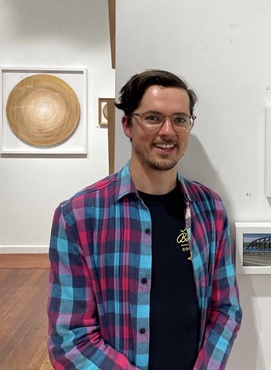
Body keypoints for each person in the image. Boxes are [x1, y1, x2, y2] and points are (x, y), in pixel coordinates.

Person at [47, 69, 242, 370]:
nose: (168, 131)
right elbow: (69, 338)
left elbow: (226, 309)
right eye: (153, 118)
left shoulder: (210, 208)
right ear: (127, 124)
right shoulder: (78, 215)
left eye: (179, 119)